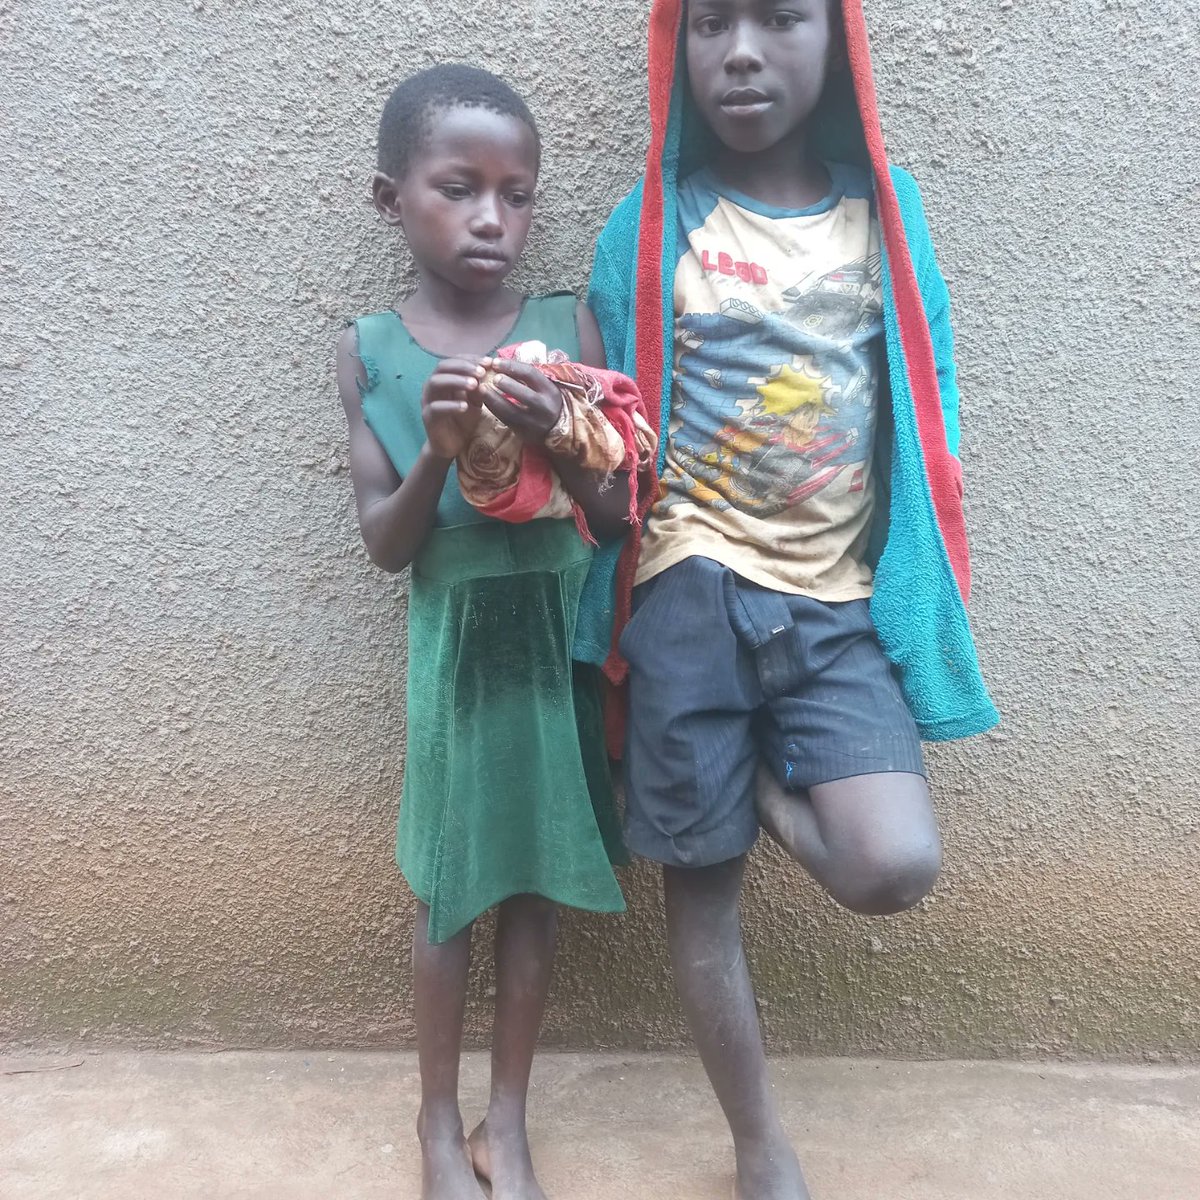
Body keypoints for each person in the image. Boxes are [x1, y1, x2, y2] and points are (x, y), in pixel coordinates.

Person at [585, 2, 1000, 1196]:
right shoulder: (652, 222)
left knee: (892, 864)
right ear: (679, 49)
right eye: (711, 23)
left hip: (833, 604)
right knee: (700, 885)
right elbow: (616, 425)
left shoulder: (888, 214)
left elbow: (930, 404)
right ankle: (758, 1142)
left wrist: (925, 570)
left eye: (780, 18)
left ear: (837, 43)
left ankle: (759, 774)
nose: (745, 52)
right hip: (686, 588)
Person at [336, 64, 636, 1200]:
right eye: (459, 189)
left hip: (550, 639)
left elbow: (613, 518)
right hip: (456, 660)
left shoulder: (565, 326)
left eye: (516, 195)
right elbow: (387, 546)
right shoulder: (370, 349)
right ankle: (434, 1121)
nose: (491, 219)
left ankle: (506, 1120)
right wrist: (438, 449)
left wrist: (558, 432)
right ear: (391, 197)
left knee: (536, 879)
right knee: (451, 888)